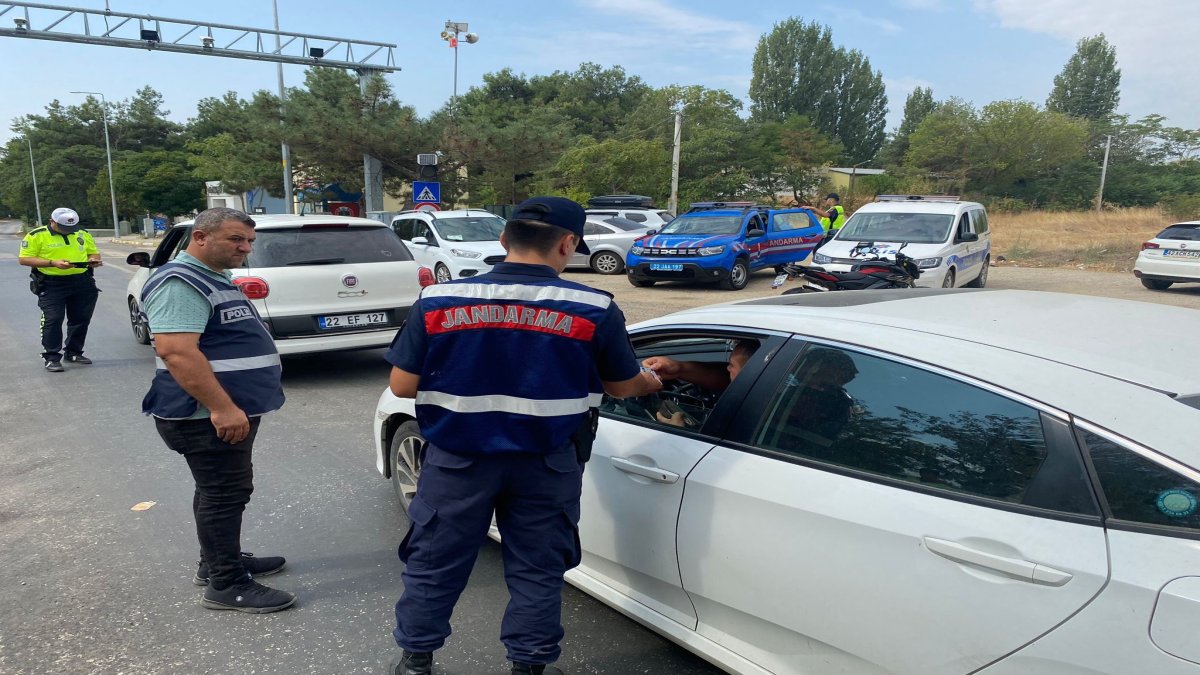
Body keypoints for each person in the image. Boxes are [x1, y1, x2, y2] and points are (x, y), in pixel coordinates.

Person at [384, 196, 663, 675]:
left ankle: (415, 661)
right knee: (537, 569)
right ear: (568, 243)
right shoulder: (593, 306)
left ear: (503, 239)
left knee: (435, 562)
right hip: (547, 462)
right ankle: (530, 666)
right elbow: (620, 385)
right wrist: (649, 381)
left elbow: (402, 385)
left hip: (457, 461)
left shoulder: (439, 300)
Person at [140, 207, 295, 614]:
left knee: (216, 492)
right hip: (203, 416)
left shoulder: (211, 277)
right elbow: (176, 351)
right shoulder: (180, 282)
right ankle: (227, 584)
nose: (245, 248)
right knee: (225, 494)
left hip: (215, 412)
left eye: (249, 242)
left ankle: (216, 562)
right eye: (235, 240)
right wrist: (223, 408)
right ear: (201, 237)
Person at [18, 207, 102, 372]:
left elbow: (94, 253)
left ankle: (73, 352)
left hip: (81, 281)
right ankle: (51, 357)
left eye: (71, 228)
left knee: (81, 318)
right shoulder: (37, 235)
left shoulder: (82, 233)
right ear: (52, 221)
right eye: (64, 228)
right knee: (53, 319)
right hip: (51, 283)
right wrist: (52, 263)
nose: (68, 232)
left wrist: (93, 260)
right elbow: (24, 259)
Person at [642, 339, 759, 426]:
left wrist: (679, 431)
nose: (727, 369)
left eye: (731, 365)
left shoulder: (751, 415)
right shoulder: (764, 388)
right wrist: (678, 368)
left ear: (750, 372)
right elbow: (724, 377)